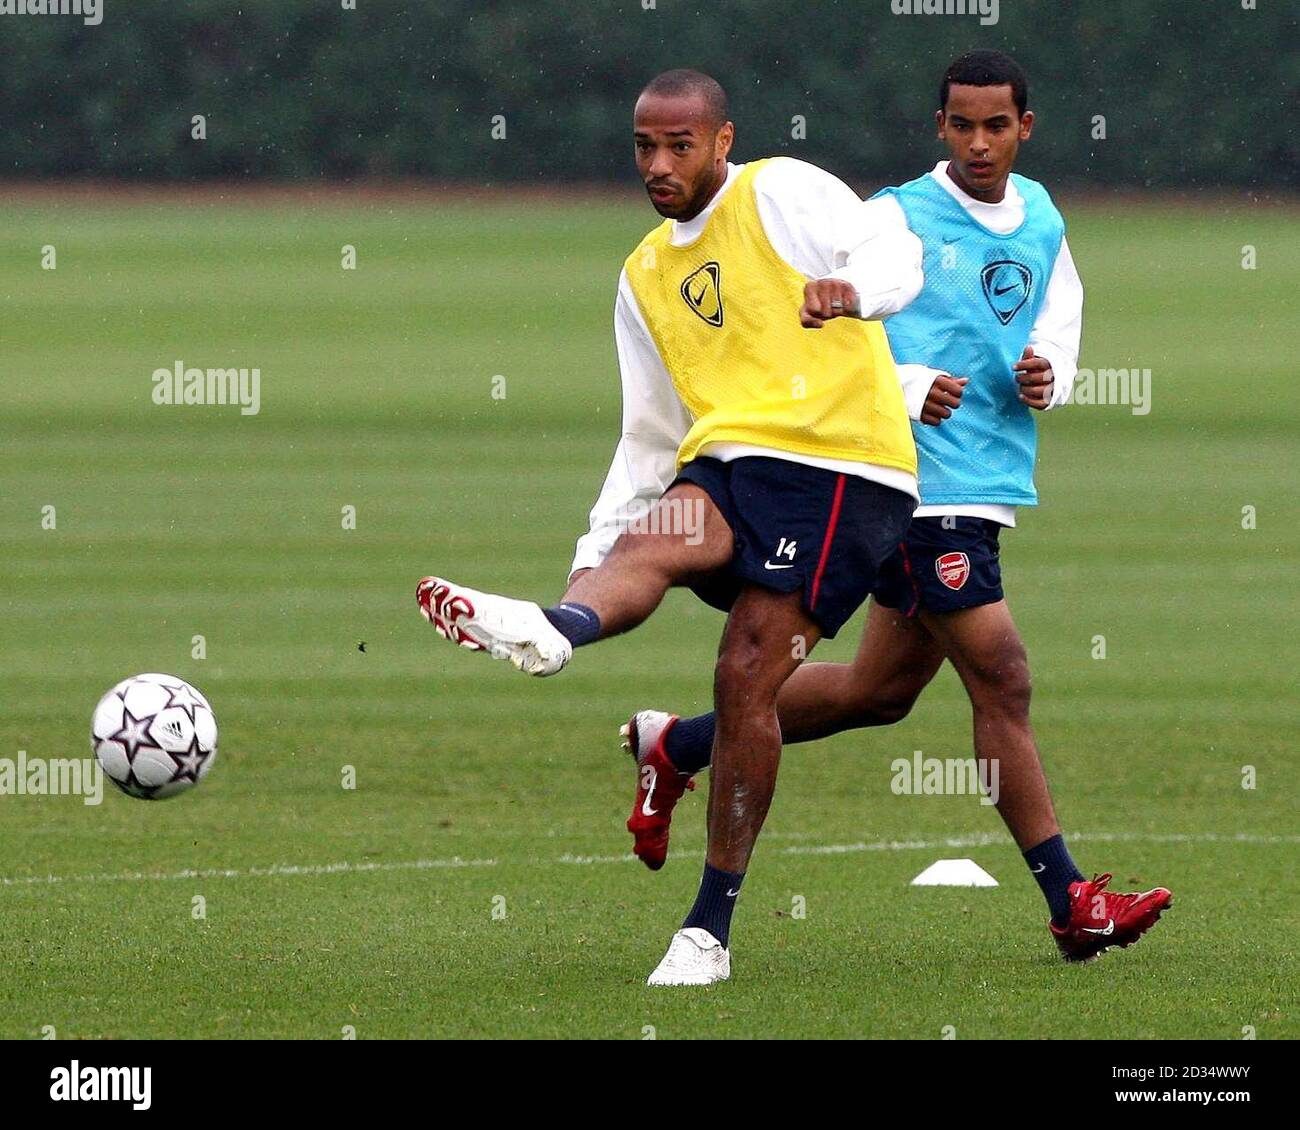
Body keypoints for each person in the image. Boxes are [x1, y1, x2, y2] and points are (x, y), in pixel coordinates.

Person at [620, 50, 1172, 964]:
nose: (980, 142)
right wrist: (909, 381)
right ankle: (1071, 899)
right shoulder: (891, 214)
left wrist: (1054, 372)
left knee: (882, 693)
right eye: (962, 124)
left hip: (989, 476)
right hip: (909, 480)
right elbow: (841, 319)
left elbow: (1056, 312)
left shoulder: (1041, 216)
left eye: (997, 126)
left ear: (1025, 128)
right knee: (1003, 674)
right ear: (939, 126)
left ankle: (680, 745)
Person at [418, 68, 926, 984]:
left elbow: (892, 245)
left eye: (677, 145)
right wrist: (589, 562)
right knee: (652, 541)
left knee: (745, 674)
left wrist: (857, 292)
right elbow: (647, 434)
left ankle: (708, 933)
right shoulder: (645, 271)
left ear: (722, 142)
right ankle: (557, 628)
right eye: (644, 146)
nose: (658, 163)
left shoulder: (781, 190)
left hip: (841, 465)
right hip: (729, 460)